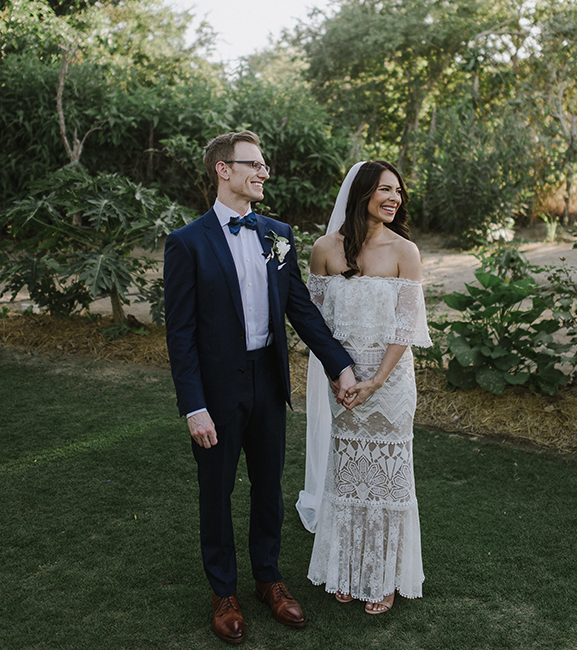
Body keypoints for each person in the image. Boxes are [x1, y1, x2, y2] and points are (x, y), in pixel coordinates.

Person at [164, 130, 356, 645]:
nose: (264, 172)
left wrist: (340, 364)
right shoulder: (187, 242)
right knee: (217, 491)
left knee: (269, 487)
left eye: (265, 165)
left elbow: (300, 309)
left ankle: (269, 579)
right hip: (217, 391)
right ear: (223, 170)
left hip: (269, 385)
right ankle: (223, 591)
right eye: (253, 164)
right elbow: (179, 335)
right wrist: (194, 407)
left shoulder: (278, 233)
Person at [296, 160, 431, 614]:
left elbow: (405, 328)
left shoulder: (404, 252)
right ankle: (348, 570)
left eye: (398, 192)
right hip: (344, 382)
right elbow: (312, 322)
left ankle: (384, 578)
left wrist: (375, 380)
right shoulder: (325, 250)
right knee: (349, 475)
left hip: (388, 382)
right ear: (361, 194)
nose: (394, 198)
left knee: (388, 481)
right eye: (384, 190)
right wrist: (342, 376)